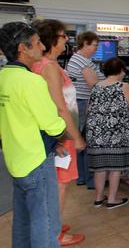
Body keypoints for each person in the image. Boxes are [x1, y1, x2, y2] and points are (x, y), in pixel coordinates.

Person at [0, 22, 77, 247]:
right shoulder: (31, 81)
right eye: (37, 43)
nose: (42, 46)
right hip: (36, 160)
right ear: (23, 48)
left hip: (15, 159)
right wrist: (66, 137)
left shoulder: (4, 77)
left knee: (23, 220)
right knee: (46, 223)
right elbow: (51, 124)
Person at [32, 19, 86, 246]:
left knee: (54, 184)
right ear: (53, 39)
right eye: (64, 36)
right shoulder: (50, 68)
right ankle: (54, 233)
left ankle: (52, 224)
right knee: (59, 186)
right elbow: (60, 108)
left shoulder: (43, 64)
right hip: (62, 138)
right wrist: (76, 137)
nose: (67, 40)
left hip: (53, 137)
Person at [85, 57, 129, 209]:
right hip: (116, 134)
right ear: (121, 70)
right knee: (115, 167)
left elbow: (88, 110)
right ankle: (112, 199)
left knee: (100, 167)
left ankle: (98, 198)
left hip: (96, 133)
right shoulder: (123, 86)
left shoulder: (96, 86)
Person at [66, 31, 105, 189]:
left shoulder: (78, 59)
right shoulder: (83, 62)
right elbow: (95, 87)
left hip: (79, 103)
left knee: (81, 141)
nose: (96, 48)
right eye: (94, 45)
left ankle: (81, 176)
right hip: (85, 104)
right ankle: (90, 179)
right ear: (85, 44)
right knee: (88, 143)